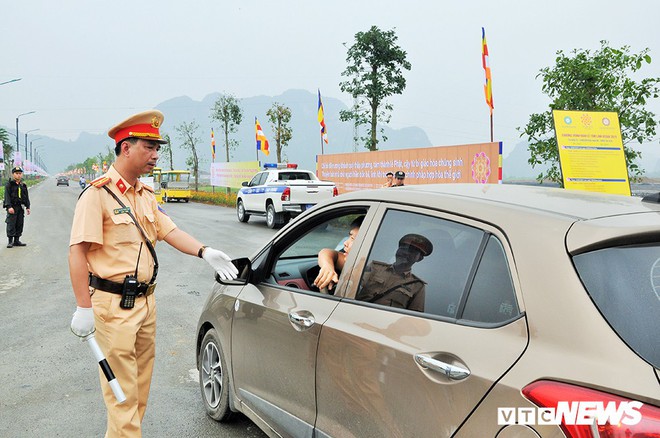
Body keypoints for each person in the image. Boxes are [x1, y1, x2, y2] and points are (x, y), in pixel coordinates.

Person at [68, 109, 238, 437]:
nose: (155, 154)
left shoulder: (145, 195)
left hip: (146, 304)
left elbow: (169, 231)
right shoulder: (97, 195)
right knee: (122, 396)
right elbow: (77, 251)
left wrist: (205, 251)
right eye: (149, 146)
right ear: (125, 147)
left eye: (157, 147)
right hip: (113, 306)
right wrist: (83, 307)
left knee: (139, 391)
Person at [356, 233, 432, 312]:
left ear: (419, 258)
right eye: (403, 248)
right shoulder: (374, 267)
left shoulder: (417, 286)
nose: (405, 253)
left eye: (412, 252)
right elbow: (352, 285)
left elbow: (414, 316)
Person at [313, 215, 364, 292]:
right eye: (350, 237)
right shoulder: (354, 263)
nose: (345, 243)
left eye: (353, 238)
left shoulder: (381, 275)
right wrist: (328, 268)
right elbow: (325, 252)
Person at [3, 166, 31, 248]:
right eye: (16, 173)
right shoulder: (9, 185)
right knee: (11, 224)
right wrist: (9, 207)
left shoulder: (23, 185)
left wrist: (28, 207)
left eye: (20, 173)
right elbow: (7, 196)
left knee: (19, 223)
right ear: (13, 174)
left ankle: (17, 240)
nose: (18, 175)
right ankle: (10, 241)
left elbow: (26, 197)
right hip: (12, 207)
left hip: (20, 207)